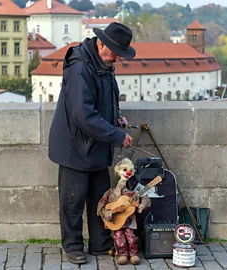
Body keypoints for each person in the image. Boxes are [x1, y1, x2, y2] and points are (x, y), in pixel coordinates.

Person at [48, 22, 136, 264]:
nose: (118, 57)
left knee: (101, 199)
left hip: (96, 146)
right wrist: (117, 135)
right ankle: (73, 246)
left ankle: (100, 243)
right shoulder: (79, 68)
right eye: (116, 51)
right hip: (74, 148)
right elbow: (83, 116)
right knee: (73, 201)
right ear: (101, 43)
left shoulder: (104, 63)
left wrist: (116, 117)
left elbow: (109, 97)